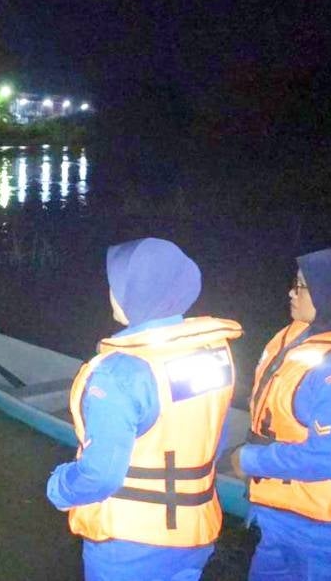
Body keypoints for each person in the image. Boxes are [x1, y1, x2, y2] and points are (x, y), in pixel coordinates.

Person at [47, 237, 242, 581]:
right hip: (195, 531)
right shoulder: (212, 352)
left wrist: (60, 488)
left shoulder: (120, 374)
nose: (110, 291)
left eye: (116, 284)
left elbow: (100, 475)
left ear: (135, 294)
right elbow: (215, 435)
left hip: (130, 547)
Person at [229, 248, 331, 580]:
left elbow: (327, 457)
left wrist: (249, 459)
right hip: (283, 518)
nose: (291, 292)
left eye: (301, 286)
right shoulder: (304, 337)